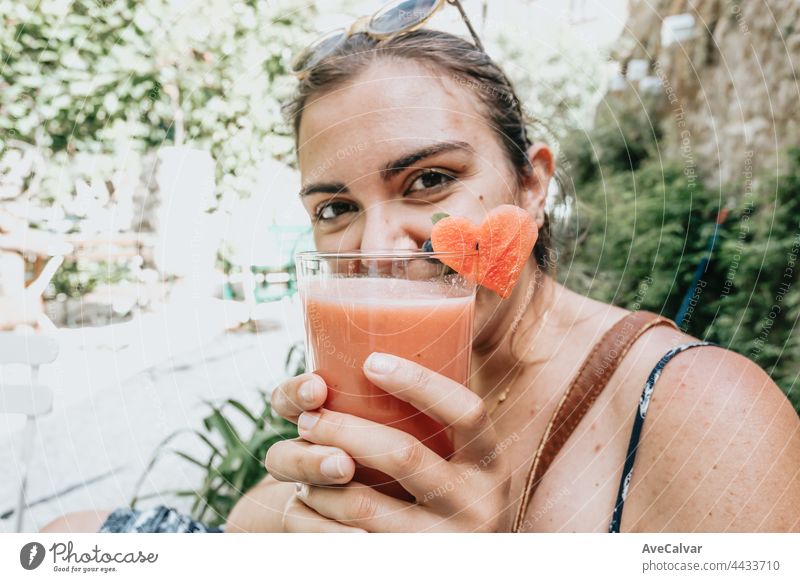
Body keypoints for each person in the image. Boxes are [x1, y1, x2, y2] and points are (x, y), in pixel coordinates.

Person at [43, 7, 799, 534]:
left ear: (532, 185)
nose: (377, 246)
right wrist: (303, 504)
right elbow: (247, 525)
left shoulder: (707, 412)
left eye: (429, 180)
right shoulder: (374, 368)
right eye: (335, 207)